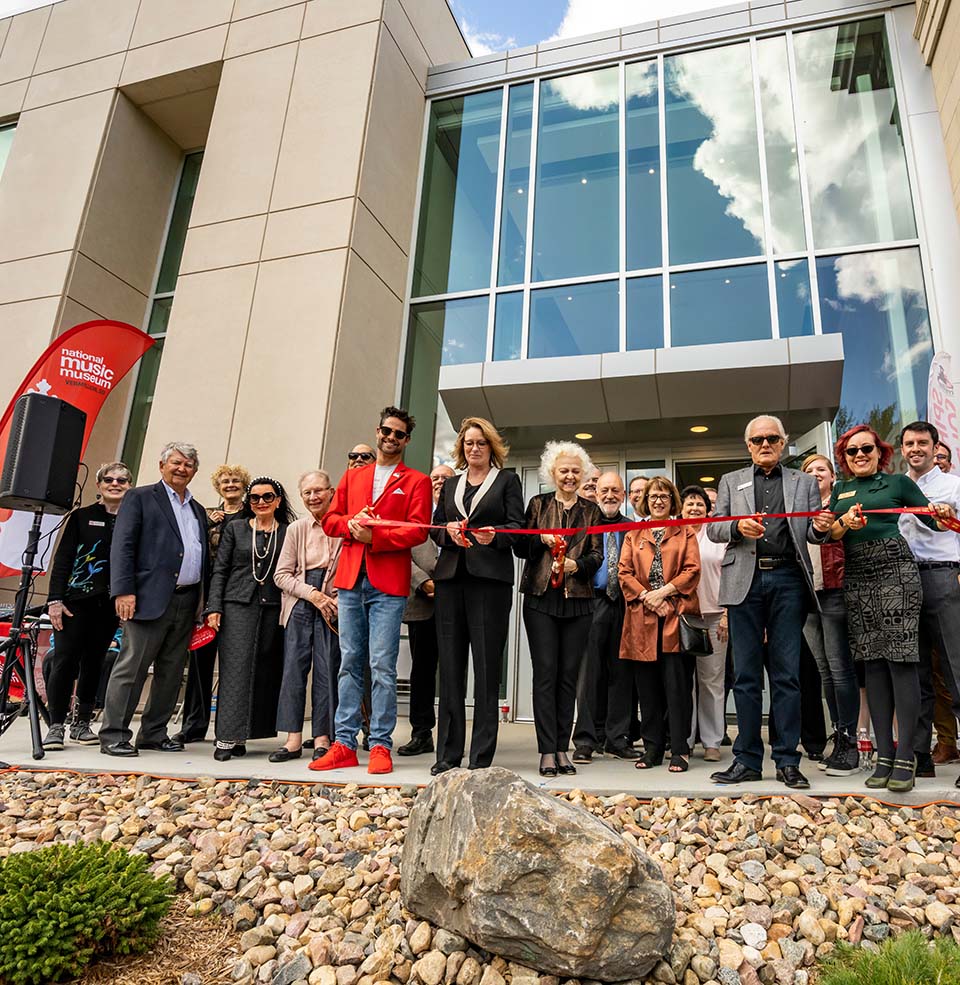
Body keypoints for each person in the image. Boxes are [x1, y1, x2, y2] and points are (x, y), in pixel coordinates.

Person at [707, 415, 833, 789]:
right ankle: (746, 759)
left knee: (787, 676)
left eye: (772, 438)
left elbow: (812, 531)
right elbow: (714, 527)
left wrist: (822, 528)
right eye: (758, 439)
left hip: (788, 580)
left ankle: (787, 760)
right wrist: (736, 527)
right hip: (744, 581)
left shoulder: (804, 481)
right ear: (748, 445)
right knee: (745, 676)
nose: (765, 444)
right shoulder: (730, 481)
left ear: (784, 442)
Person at [830, 424, 953, 793]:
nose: (860, 456)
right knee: (873, 665)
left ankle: (907, 756)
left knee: (901, 662)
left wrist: (943, 509)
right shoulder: (840, 489)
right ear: (845, 458)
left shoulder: (897, 483)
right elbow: (830, 534)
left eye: (867, 449)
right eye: (852, 452)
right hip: (858, 575)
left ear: (879, 452)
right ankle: (884, 755)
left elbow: (932, 519)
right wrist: (842, 522)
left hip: (894, 570)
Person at [312, 406, 432, 775]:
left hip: (388, 583)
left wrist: (375, 535)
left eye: (398, 434)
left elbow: (418, 530)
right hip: (350, 580)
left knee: (382, 665)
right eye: (386, 431)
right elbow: (329, 520)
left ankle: (380, 743)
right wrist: (353, 525)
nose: (390, 438)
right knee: (349, 663)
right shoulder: (354, 476)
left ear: (406, 440)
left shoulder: (417, 481)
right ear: (377, 431)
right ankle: (344, 743)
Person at [100, 442, 209, 757]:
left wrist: (202, 602)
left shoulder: (197, 509)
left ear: (194, 471)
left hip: (186, 601)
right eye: (176, 462)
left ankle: (153, 733)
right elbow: (123, 546)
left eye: (188, 465)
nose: (181, 469)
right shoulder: (140, 497)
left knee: (171, 671)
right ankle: (114, 734)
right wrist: (123, 590)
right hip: (147, 597)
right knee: (132, 667)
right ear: (162, 465)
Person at [430, 419, 524, 774]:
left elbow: (518, 528)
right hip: (451, 581)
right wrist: (447, 531)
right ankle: (447, 755)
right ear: (461, 448)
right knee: (451, 670)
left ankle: (480, 756)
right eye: (468, 443)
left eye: (481, 443)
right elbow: (436, 528)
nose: (474, 449)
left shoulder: (507, 481)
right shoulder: (450, 484)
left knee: (486, 671)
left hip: (489, 583)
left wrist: (495, 535)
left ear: (492, 447)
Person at [515, 441, 602, 777]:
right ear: (552, 473)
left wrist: (575, 567)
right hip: (540, 600)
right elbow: (521, 548)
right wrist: (541, 540)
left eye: (575, 471)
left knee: (568, 678)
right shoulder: (537, 505)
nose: (569, 476)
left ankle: (563, 749)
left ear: (583, 475)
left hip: (578, 602)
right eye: (563, 470)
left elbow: (597, 556)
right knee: (546, 674)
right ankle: (546, 750)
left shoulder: (591, 511)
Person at [42, 463, 132, 750]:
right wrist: (55, 600)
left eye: (121, 480)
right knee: (65, 660)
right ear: (99, 484)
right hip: (74, 603)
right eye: (109, 479)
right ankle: (56, 725)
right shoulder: (82, 517)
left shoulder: (133, 520)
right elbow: (63, 560)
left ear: (129, 485)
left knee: (94, 662)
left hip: (109, 605)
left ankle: (81, 723)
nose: (115, 483)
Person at [205, 477, 294, 760]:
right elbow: (221, 570)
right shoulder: (236, 529)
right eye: (254, 498)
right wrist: (213, 607)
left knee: (265, 669)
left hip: (274, 606)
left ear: (278, 500)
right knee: (235, 668)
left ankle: (248, 733)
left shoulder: (289, 532)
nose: (261, 503)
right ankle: (227, 738)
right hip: (237, 604)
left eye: (267, 497)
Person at [616, 477, 700, 772]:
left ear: (672, 500)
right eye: (654, 496)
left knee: (676, 687)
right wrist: (646, 596)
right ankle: (652, 748)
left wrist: (664, 593)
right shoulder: (633, 534)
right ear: (646, 500)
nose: (659, 500)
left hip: (675, 614)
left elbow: (692, 570)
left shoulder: (685, 531)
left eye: (664, 495)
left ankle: (679, 748)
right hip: (641, 617)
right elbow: (623, 572)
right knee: (647, 688)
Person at [899, 421, 960, 783]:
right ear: (902, 448)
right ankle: (921, 755)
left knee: (955, 667)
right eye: (909, 443)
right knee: (915, 672)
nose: (916, 448)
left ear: (935, 447)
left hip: (943, 577)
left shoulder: (953, 486)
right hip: (905, 582)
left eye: (923, 442)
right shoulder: (898, 487)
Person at [175, 463, 251, 745]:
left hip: (239, 595)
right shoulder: (204, 515)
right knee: (199, 663)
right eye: (225, 481)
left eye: (235, 480)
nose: (230, 484)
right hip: (206, 597)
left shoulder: (252, 514)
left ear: (244, 485)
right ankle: (194, 725)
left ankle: (231, 730)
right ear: (218, 486)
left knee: (235, 665)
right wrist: (208, 524)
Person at [271, 470, 342, 763]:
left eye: (319, 491)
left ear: (331, 492)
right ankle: (292, 739)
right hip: (301, 600)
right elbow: (281, 574)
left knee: (328, 671)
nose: (313, 497)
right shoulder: (296, 529)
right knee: (293, 669)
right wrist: (311, 594)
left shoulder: (342, 527)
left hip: (333, 603)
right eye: (307, 493)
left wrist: (335, 599)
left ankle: (323, 737)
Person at [799, 454, 860, 776]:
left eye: (820, 469)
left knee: (840, 669)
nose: (814, 474)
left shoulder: (842, 506)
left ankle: (849, 742)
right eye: (808, 471)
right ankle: (838, 734)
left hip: (835, 591)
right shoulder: (802, 509)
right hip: (808, 596)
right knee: (824, 670)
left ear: (832, 475)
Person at [573, 471, 636, 763]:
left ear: (623, 496)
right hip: (592, 601)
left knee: (621, 674)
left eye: (615, 490)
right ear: (596, 493)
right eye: (604, 490)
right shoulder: (586, 524)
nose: (610, 495)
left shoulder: (632, 527)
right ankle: (586, 739)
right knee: (589, 674)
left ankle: (617, 738)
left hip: (625, 604)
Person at [397, 464, 455, 757]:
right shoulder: (414, 513)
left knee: (453, 671)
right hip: (423, 602)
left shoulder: (460, 512)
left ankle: (451, 733)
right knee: (421, 672)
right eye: (436, 478)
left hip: (457, 600)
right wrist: (424, 583)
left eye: (447, 478)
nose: (440, 482)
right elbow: (402, 553)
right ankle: (421, 733)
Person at [679, 484, 727, 763]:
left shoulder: (717, 533)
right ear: (681, 509)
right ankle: (683, 740)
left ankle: (711, 741)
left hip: (714, 617)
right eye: (689, 504)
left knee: (711, 681)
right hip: (684, 616)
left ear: (708, 509)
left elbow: (730, 575)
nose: (695, 508)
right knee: (684, 682)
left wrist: (726, 614)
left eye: (700, 504)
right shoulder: (677, 534)